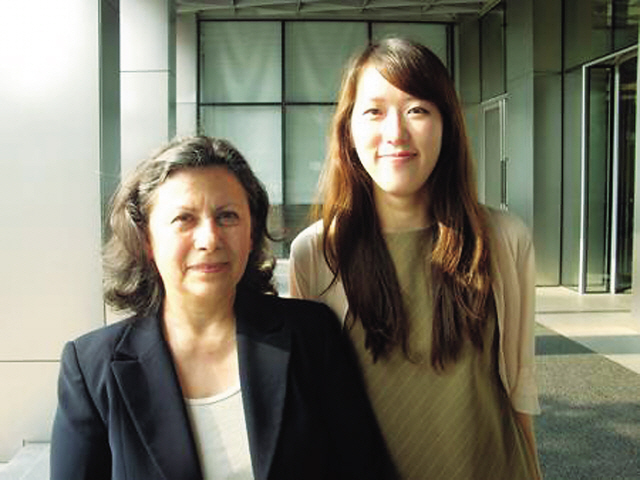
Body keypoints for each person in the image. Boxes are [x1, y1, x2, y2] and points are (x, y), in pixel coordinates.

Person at [50, 136, 396, 480]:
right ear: (146, 240)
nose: (209, 239)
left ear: (251, 232)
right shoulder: (92, 367)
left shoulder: (311, 336)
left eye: (227, 216)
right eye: (184, 219)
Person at [289, 38, 542, 479]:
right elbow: (310, 411)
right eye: (374, 111)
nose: (395, 133)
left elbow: (519, 391)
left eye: (417, 110)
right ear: (348, 129)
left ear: (447, 124)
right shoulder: (317, 253)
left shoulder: (503, 240)